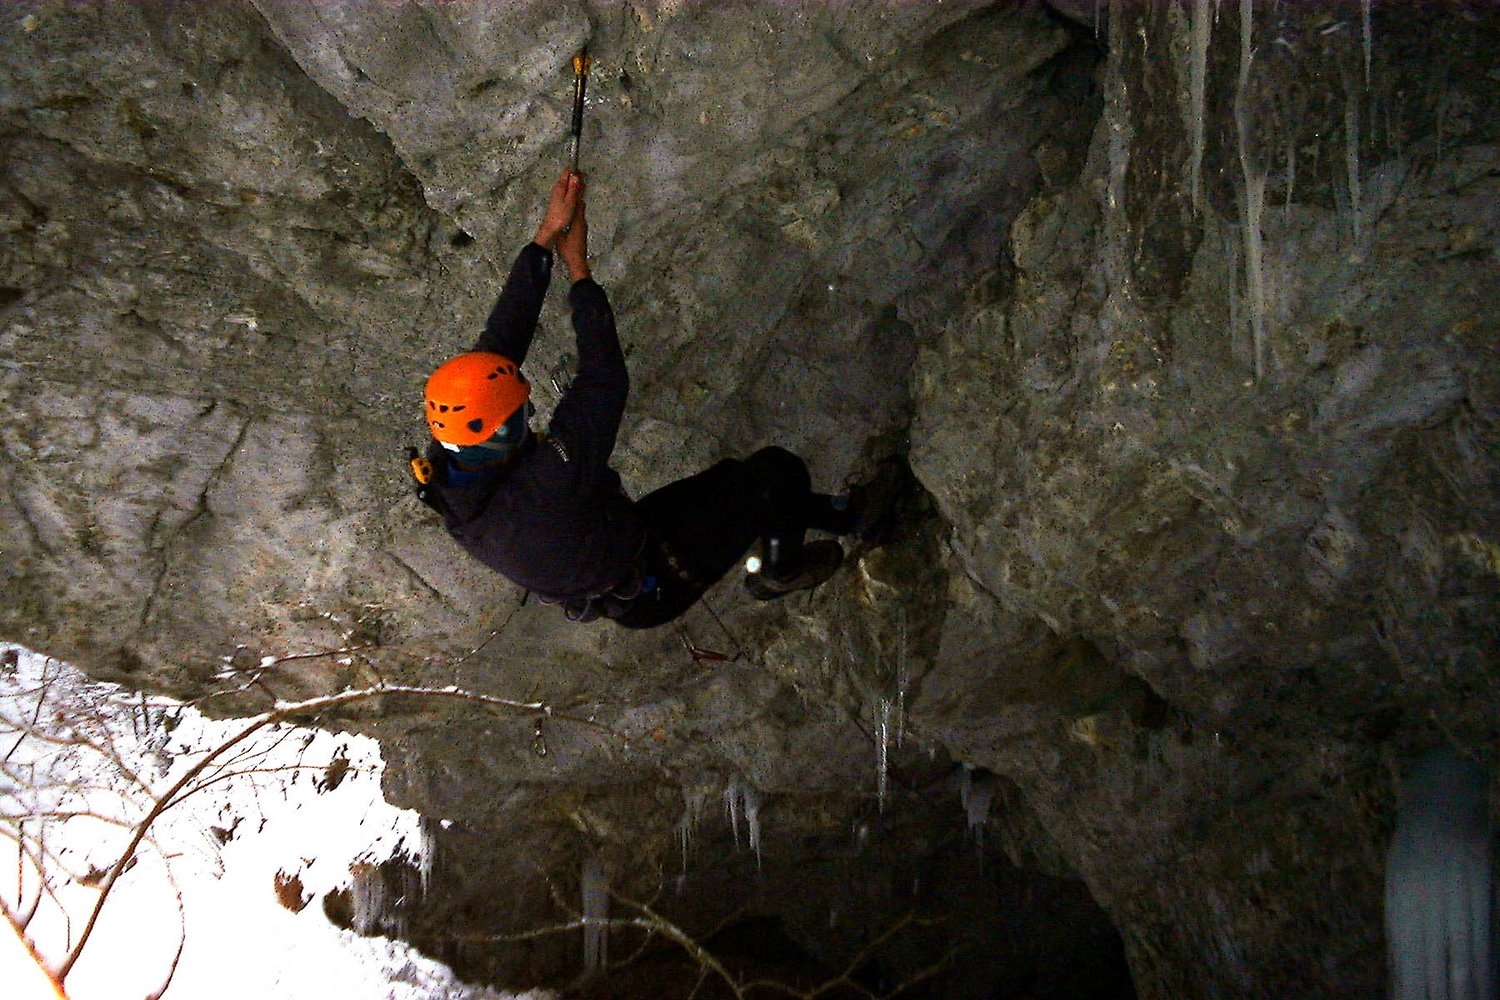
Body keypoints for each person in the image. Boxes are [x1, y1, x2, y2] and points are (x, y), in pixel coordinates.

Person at [418, 169, 896, 628]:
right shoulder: (541, 495)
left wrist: (546, 237)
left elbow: (502, 339)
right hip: (655, 580)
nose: (530, 412)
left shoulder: (457, 449)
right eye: (523, 412)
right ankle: (782, 571)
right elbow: (603, 382)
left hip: (624, 535)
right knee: (775, 474)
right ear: (502, 433)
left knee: (740, 482)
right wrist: (579, 271)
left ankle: (844, 516)